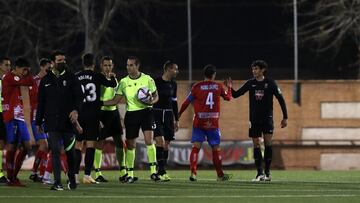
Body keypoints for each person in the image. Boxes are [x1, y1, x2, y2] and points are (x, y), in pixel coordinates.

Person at [104, 56, 159, 183]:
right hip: (132, 114)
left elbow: (156, 96)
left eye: (131, 65)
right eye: (127, 65)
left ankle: (153, 172)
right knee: (130, 145)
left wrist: (151, 101)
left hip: (146, 112)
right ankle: (130, 174)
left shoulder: (147, 79)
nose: (128, 67)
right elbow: (115, 100)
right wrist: (99, 102)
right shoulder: (123, 82)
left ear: (137, 66)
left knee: (149, 141)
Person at [231, 60, 288, 182]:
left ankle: (267, 173)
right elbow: (236, 95)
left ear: (262, 70)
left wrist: (285, 117)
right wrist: (230, 88)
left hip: (267, 118)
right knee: (256, 143)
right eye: (253, 69)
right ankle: (259, 173)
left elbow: (281, 99)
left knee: (268, 143)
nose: (254, 71)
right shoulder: (250, 83)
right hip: (254, 119)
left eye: (256, 69)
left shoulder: (271, 83)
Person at [36, 50, 81, 190]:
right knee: (55, 150)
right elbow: (41, 103)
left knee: (70, 153)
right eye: (59, 60)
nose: (63, 62)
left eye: (64, 60)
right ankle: (57, 182)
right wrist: (38, 122)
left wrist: (76, 110)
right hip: (51, 122)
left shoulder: (72, 77)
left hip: (68, 122)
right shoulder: (45, 80)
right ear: (53, 62)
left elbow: (79, 97)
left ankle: (72, 178)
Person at [178, 64, 232, 182]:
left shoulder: (197, 87)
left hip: (199, 122)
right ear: (214, 75)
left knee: (196, 148)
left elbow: (186, 102)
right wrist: (230, 87)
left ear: (204, 74)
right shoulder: (218, 86)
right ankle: (220, 175)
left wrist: (179, 114)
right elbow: (228, 98)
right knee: (216, 149)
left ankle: (193, 173)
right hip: (213, 122)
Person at [74, 53, 117, 184]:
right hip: (93, 115)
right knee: (91, 145)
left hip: (79, 115)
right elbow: (112, 85)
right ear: (94, 64)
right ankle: (87, 175)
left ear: (83, 63)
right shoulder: (97, 76)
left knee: (78, 145)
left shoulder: (76, 76)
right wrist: (112, 77)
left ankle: (74, 175)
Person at [2, 58, 36, 186]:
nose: (25, 72)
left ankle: (13, 176)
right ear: (16, 68)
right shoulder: (10, 77)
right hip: (11, 116)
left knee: (27, 146)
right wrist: (32, 75)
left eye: (26, 70)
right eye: (23, 70)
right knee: (11, 146)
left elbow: (30, 82)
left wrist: (29, 75)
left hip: (19, 117)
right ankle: (11, 178)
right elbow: (29, 81)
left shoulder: (18, 80)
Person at [93, 56, 126, 183]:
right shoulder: (98, 79)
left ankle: (123, 172)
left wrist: (120, 114)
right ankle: (98, 173)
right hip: (102, 114)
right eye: (105, 65)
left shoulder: (114, 79)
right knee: (100, 143)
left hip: (114, 114)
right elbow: (97, 100)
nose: (108, 67)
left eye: (110, 65)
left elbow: (115, 98)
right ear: (101, 66)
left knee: (119, 141)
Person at [153, 61, 179, 181]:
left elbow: (174, 102)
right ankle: (161, 171)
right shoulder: (156, 82)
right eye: (175, 69)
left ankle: (161, 170)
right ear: (168, 69)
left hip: (168, 115)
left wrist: (176, 119)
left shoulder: (174, 84)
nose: (177, 71)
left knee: (167, 144)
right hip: (157, 113)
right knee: (160, 141)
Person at [29, 58, 52, 182]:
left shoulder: (50, 81)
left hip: (46, 118)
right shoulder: (34, 81)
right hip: (35, 117)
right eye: (48, 67)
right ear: (42, 67)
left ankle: (34, 172)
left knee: (45, 146)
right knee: (45, 145)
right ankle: (43, 175)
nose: (50, 70)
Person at [0, 56, 11, 184]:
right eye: (6, 65)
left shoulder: (7, 81)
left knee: (3, 144)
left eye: (9, 65)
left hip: (4, 115)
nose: (9, 67)